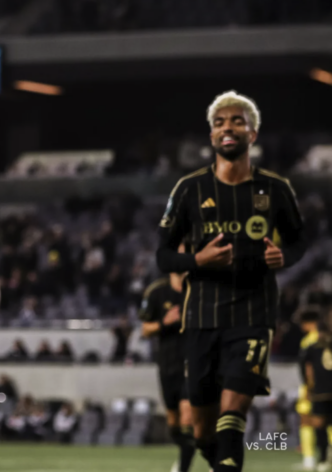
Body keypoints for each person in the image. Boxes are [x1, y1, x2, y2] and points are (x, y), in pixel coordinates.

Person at [156, 90, 307, 472]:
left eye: (237, 121)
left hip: (253, 316)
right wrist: (197, 259)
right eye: (220, 122)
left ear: (252, 134)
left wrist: (283, 256)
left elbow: (299, 241)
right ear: (211, 136)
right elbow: (163, 255)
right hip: (202, 320)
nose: (228, 127)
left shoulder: (275, 189)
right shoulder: (189, 189)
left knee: (231, 418)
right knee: (205, 432)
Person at [139, 261, 195, 472]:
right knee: (174, 424)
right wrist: (165, 321)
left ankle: (183, 467)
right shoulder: (157, 291)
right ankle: (186, 453)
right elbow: (145, 330)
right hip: (167, 365)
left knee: (187, 415)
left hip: (193, 364)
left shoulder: (199, 290)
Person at [295, 307, 331, 471]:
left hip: (315, 389)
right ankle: (320, 457)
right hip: (321, 388)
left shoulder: (311, 341)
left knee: (310, 422)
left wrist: (309, 388)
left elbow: (308, 367)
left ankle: (311, 458)